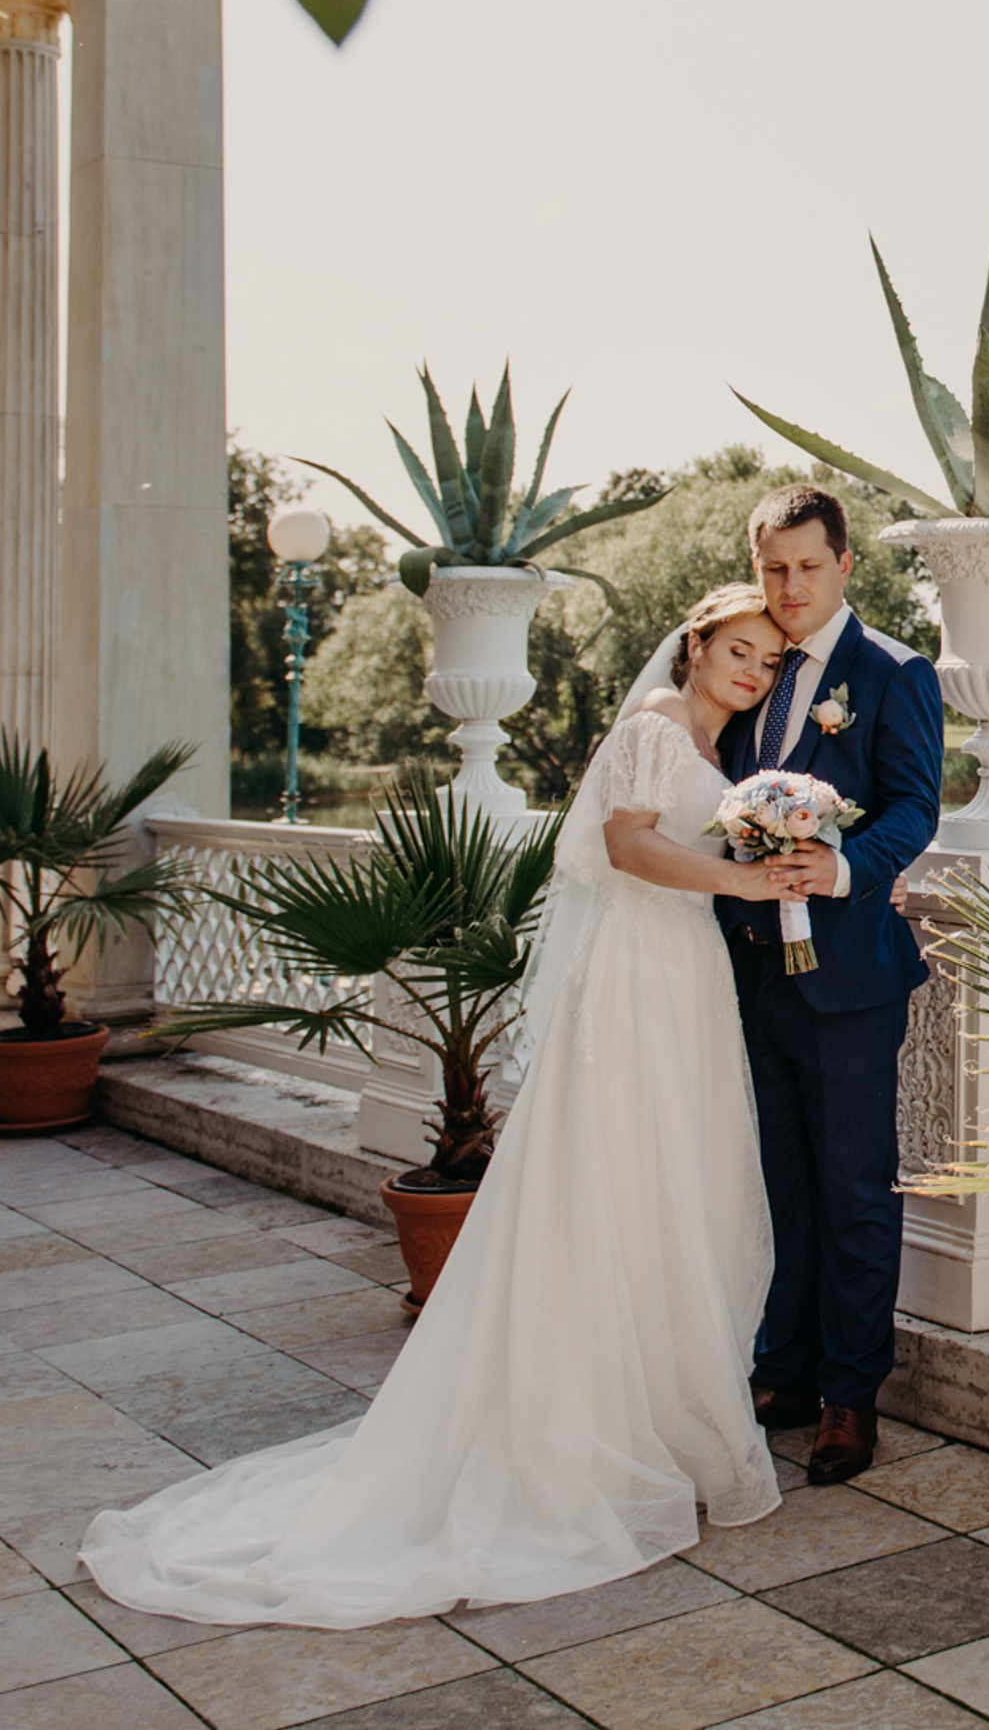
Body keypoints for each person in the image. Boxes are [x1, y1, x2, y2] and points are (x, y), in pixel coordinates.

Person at [79, 586, 809, 1628]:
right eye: (739, 650)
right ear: (694, 648)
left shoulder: (714, 746)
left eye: (771, 661)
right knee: (623, 1172)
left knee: (670, 1179)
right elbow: (627, 846)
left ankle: (657, 1414)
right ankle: (588, 1429)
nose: (753, 671)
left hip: (681, 971)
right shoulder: (656, 727)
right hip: (642, 973)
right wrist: (743, 883)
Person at [715, 482, 945, 1484]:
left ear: (845, 565)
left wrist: (843, 867)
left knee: (854, 1187)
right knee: (781, 1183)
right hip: (750, 971)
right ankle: (788, 1368)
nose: (790, 586)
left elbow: (914, 808)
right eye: (773, 568)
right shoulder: (747, 668)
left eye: (808, 566)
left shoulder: (894, 673)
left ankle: (852, 1395)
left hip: (850, 979)